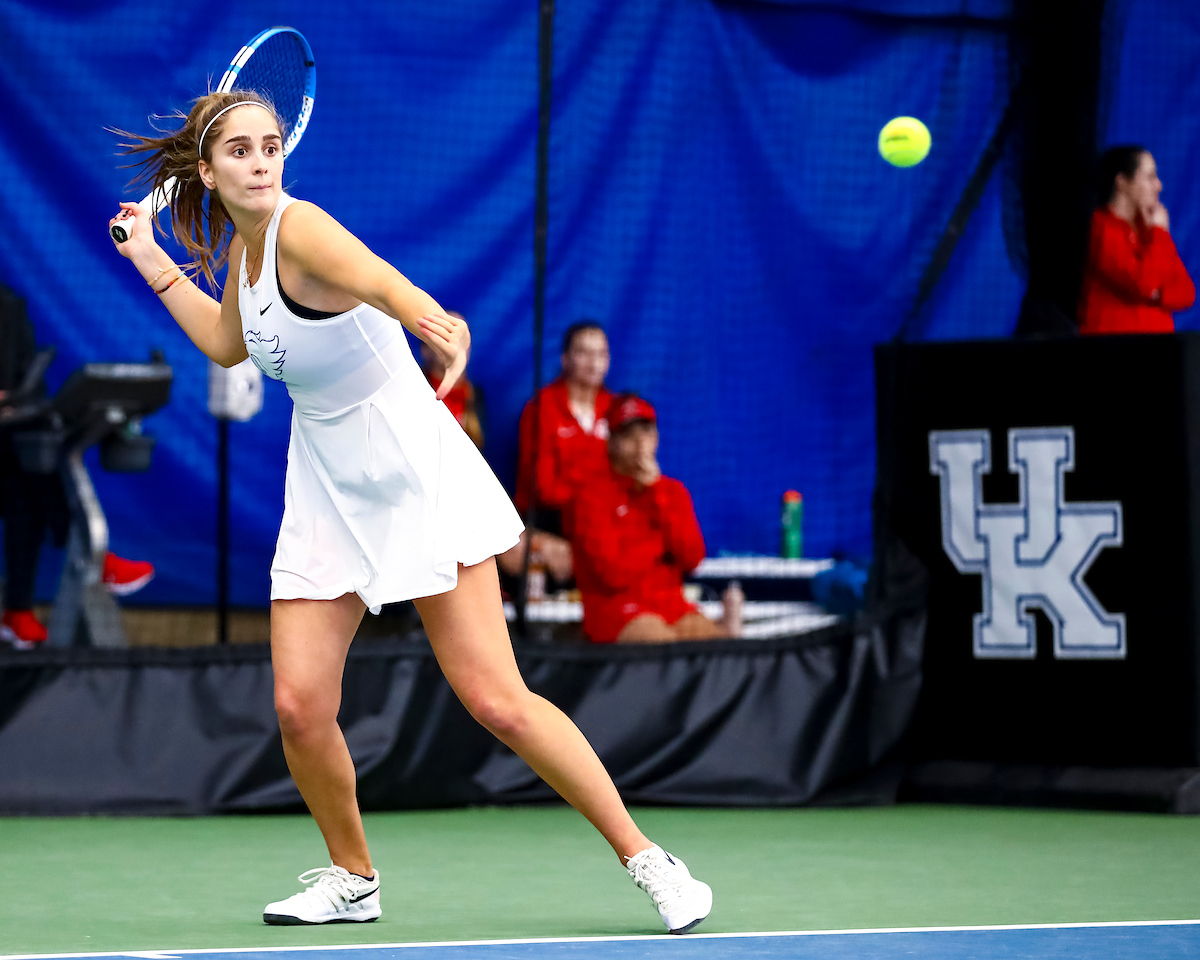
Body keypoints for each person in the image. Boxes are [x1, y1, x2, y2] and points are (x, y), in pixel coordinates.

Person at [108, 90, 711, 933]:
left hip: (410, 467)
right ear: (206, 171)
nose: (259, 162)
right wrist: (148, 255)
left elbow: (381, 280)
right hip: (325, 477)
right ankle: (354, 880)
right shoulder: (246, 257)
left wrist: (436, 323)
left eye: (270, 146)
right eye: (239, 151)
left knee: (498, 700)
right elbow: (227, 343)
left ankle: (651, 860)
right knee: (299, 705)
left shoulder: (302, 227)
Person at [0, 283, 154, 648]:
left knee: (30, 464)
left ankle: (19, 611)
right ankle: (91, 558)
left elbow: (26, 386)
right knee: (27, 469)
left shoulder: (9, 306)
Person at [572, 395, 729, 644]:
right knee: (660, 644)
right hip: (616, 612)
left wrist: (657, 495)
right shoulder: (591, 497)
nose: (639, 444)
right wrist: (659, 546)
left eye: (645, 433)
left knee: (716, 646)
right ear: (611, 442)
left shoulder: (672, 492)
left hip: (672, 607)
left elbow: (691, 557)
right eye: (628, 435)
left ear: (656, 438)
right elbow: (612, 573)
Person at [499, 323, 612, 587]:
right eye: (584, 352)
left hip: (603, 526)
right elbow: (543, 488)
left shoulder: (617, 411)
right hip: (552, 523)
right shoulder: (542, 408)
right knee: (513, 550)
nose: (593, 362)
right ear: (565, 358)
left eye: (601, 353)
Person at [1078, 145, 1195, 334]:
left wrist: (1156, 294)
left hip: (1157, 353)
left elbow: (1186, 292)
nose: (1159, 186)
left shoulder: (1149, 231)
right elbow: (1142, 283)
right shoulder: (1100, 228)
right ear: (1122, 182)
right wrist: (1159, 233)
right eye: (1150, 178)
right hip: (1115, 352)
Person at [419, 313, 483, 449]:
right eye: (445, 335)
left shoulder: (475, 395)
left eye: (463, 338)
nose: (456, 346)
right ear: (425, 348)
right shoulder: (412, 389)